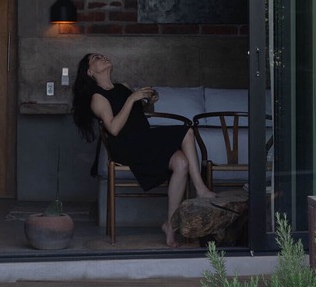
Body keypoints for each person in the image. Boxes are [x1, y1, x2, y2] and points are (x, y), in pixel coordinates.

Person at [71, 52, 216, 247]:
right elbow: (113, 128)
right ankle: (200, 188)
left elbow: (143, 115)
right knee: (186, 131)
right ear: (89, 72)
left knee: (181, 163)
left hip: (144, 139)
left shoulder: (122, 87)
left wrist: (149, 102)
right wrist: (132, 99)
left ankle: (170, 226)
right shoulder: (98, 98)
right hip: (127, 146)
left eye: (103, 55)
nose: (103, 57)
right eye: (96, 58)